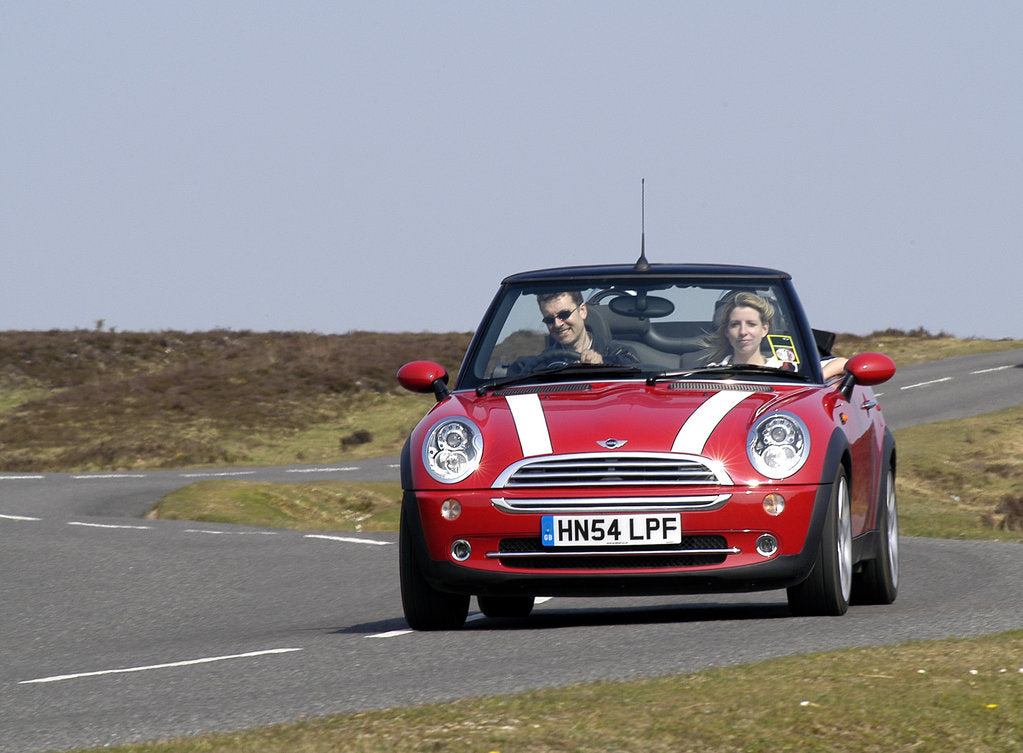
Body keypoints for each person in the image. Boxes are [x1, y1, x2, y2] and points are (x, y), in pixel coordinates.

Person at [702, 291, 847, 380]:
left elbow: (843, 363)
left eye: (751, 324)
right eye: (735, 325)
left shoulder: (787, 369)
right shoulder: (709, 373)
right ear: (727, 331)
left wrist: (817, 378)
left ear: (764, 329)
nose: (743, 332)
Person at [509, 291, 638, 374]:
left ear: (582, 311)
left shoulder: (619, 354)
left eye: (564, 315)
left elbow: (636, 381)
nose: (557, 324)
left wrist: (603, 367)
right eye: (549, 320)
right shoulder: (540, 365)